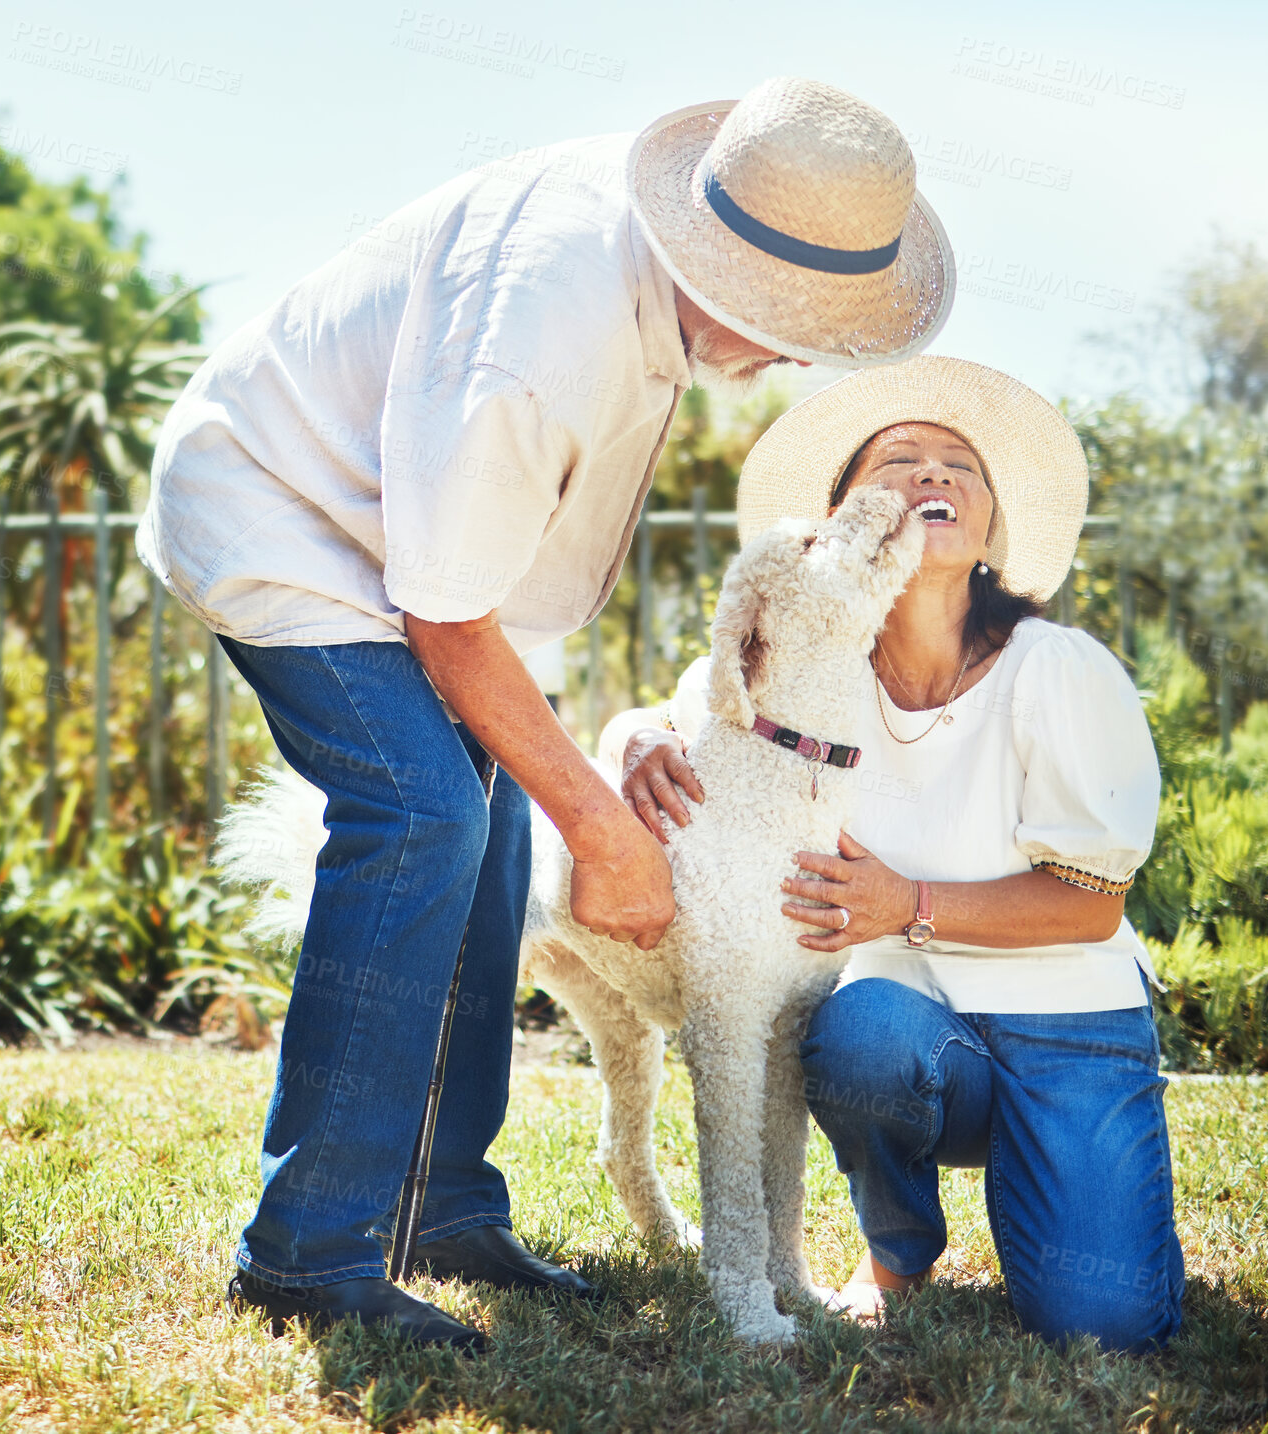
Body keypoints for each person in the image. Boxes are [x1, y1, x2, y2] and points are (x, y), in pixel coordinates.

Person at [135, 77, 955, 1347]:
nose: (800, 350)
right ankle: (307, 1250)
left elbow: (493, 574)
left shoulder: (662, 268)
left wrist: (606, 753)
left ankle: (443, 1206)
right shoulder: (544, 331)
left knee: (497, 833)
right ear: (718, 266)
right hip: (282, 519)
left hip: (411, 554)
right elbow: (446, 618)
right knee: (421, 816)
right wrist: (605, 825)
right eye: (790, 319)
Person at [616, 355, 1184, 1352]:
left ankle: (1064, 1155)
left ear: (989, 528)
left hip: (1065, 1023)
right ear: (843, 519)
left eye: (960, 466)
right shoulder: (802, 673)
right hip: (909, 1032)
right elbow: (671, 713)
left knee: (1103, 1326)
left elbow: (1088, 904)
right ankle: (897, 1249)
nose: (934, 478)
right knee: (854, 1035)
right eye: (899, 461)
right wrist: (631, 741)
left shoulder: (1058, 669)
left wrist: (905, 902)